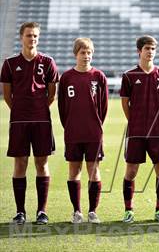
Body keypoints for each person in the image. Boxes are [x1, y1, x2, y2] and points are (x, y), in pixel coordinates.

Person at [0, 22, 59, 225]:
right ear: (21, 38)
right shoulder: (9, 63)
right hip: (19, 121)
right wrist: (21, 110)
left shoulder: (48, 62)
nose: (32, 39)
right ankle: (20, 212)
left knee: (42, 163)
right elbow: (7, 96)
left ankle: (42, 212)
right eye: (28, 35)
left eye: (35, 36)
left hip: (42, 120)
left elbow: (52, 94)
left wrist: (38, 108)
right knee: (20, 164)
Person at [120, 35, 159, 223]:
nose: (150, 52)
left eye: (153, 49)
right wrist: (135, 120)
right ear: (139, 51)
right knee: (131, 170)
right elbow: (125, 103)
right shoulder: (129, 76)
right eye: (147, 48)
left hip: (157, 131)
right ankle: (128, 210)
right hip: (136, 131)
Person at [58, 38, 108, 224]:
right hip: (73, 132)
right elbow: (62, 107)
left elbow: (103, 107)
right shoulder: (66, 78)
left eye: (89, 52)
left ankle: (92, 211)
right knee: (74, 170)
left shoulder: (99, 76)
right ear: (75, 54)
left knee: (93, 170)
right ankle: (77, 211)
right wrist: (70, 124)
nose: (86, 56)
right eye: (82, 53)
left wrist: (96, 124)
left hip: (93, 132)